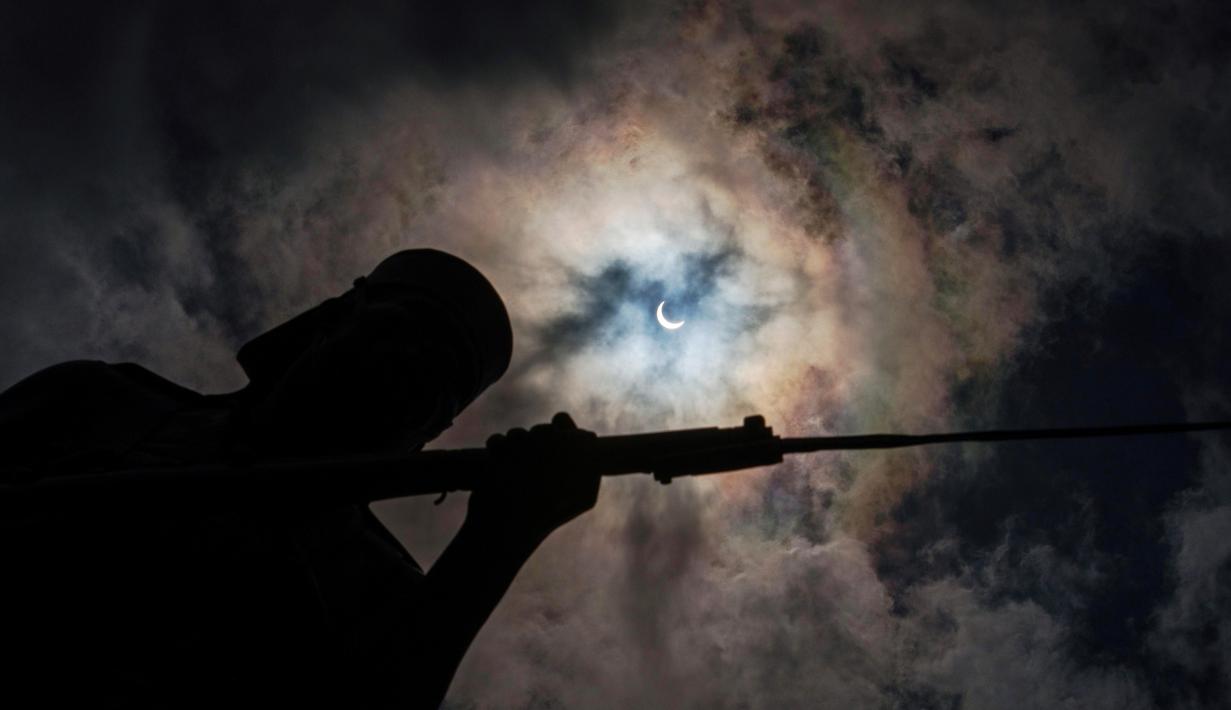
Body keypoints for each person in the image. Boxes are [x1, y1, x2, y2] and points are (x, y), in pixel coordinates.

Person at [0, 249, 600, 708]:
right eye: (401, 331)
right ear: (329, 323)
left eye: (439, 383)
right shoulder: (99, 400)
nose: (408, 372)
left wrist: (496, 543)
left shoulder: (382, 592)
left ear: (429, 434)